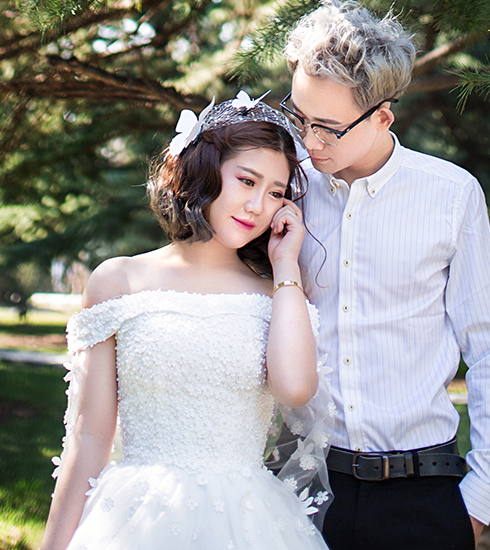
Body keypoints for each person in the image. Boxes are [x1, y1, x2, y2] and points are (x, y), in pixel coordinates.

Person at [40, 92, 333, 550]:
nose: (258, 205)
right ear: (203, 169)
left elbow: (295, 389)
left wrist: (285, 266)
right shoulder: (119, 281)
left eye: (276, 192)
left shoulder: (275, 293)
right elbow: (89, 436)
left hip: (246, 523)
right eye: (246, 180)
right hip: (136, 520)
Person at [281, 0, 490, 550]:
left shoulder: (451, 194)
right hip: (304, 488)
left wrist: (480, 498)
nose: (310, 142)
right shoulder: (286, 186)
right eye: (300, 117)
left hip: (424, 497)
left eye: (328, 128)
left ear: (382, 117)